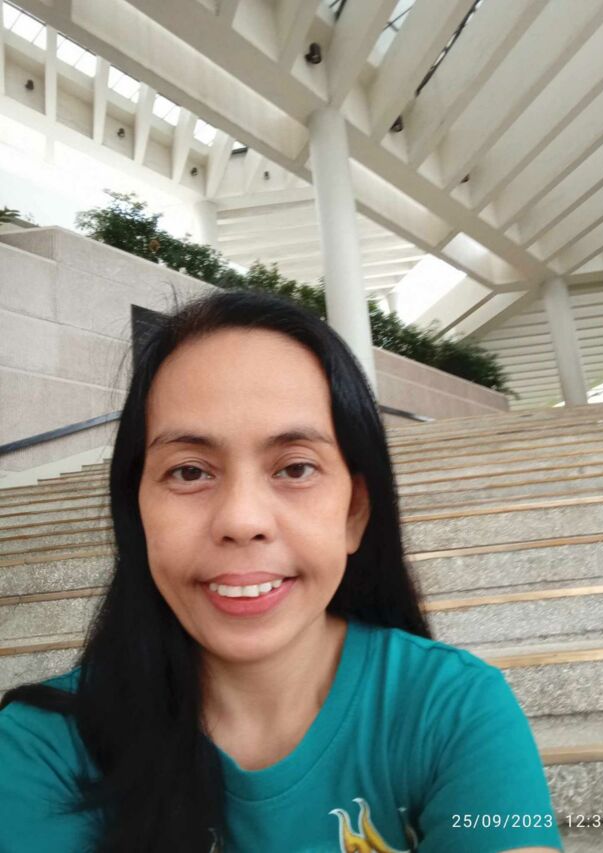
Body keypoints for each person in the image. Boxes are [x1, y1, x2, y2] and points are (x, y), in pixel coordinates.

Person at [0, 286, 564, 853]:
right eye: (190, 472)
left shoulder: (453, 709)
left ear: (354, 512)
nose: (242, 520)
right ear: (138, 512)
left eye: (295, 468)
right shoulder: (44, 745)